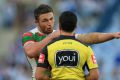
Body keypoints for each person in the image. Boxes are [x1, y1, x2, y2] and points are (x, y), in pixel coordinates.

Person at [22, 4, 120, 80]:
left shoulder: (60, 34)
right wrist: (52, 36)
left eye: (51, 19)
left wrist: (111, 35)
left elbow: (88, 37)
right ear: (37, 22)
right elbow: (30, 52)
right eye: (45, 20)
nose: (49, 23)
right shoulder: (29, 35)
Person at [36, 11, 99, 80]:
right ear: (75, 26)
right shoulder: (86, 48)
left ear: (59, 26)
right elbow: (94, 76)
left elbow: (39, 76)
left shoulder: (47, 48)